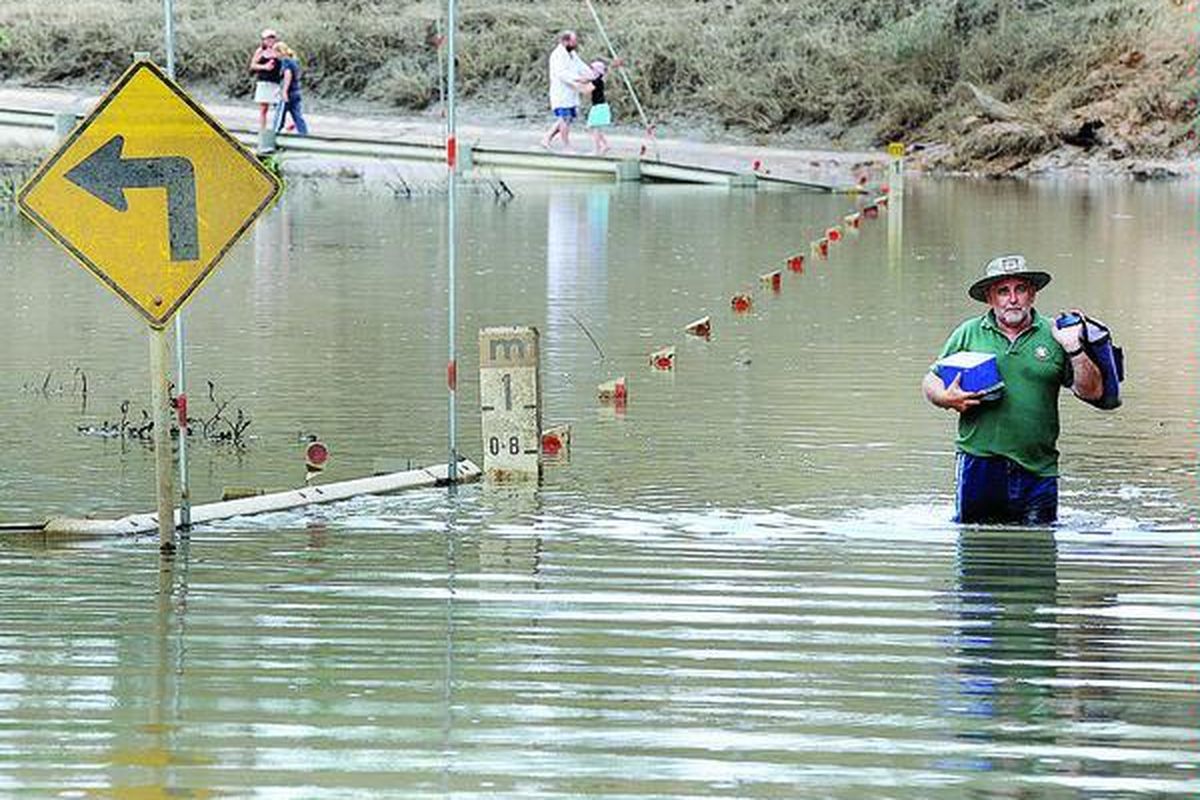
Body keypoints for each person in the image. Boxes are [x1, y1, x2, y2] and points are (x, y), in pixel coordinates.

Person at [922, 254, 1103, 525]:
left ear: (1033, 294)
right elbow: (931, 380)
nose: (1013, 298)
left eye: (1020, 289)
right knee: (976, 551)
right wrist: (946, 398)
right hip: (979, 463)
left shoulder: (1056, 334)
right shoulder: (969, 333)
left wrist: (1075, 349)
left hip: (1039, 468)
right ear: (989, 298)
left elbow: (1093, 392)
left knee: (1038, 553)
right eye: (1003, 291)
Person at [540, 30, 593, 151]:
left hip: (571, 92)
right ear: (565, 41)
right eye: (573, 42)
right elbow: (562, 74)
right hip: (561, 92)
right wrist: (580, 80)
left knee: (567, 119)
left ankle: (546, 138)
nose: (576, 44)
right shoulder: (557, 55)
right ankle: (566, 146)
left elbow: (581, 66)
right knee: (564, 119)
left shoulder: (572, 54)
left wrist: (592, 74)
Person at [248, 28, 282, 130]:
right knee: (263, 108)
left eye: (272, 38)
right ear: (263, 40)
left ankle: (278, 128)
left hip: (276, 82)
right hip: (264, 82)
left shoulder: (279, 50)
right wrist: (264, 67)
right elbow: (253, 65)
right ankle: (263, 130)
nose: (270, 40)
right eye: (268, 38)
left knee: (279, 107)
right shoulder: (260, 51)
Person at [272, 41, 308, 135]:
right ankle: (304, 133)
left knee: (280, 115)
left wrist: (284, 91)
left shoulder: (286, 61)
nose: (274, 55)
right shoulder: (294, 61)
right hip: (296, 92)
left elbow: (288, 75)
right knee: (297, 115)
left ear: (280, 52)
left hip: (289, 92)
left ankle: (275, 133)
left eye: (275, 52)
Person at [585, 59, 614, 156]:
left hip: (599, 107)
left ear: (597, 71)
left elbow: (587, 90)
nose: (591, 71)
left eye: (592, 69)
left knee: (595, 129)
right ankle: (605, 145)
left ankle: (596, 150)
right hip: (598, 106)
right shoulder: (598, 80)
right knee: (593, 127)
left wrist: (576, 85)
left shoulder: (597, 82)